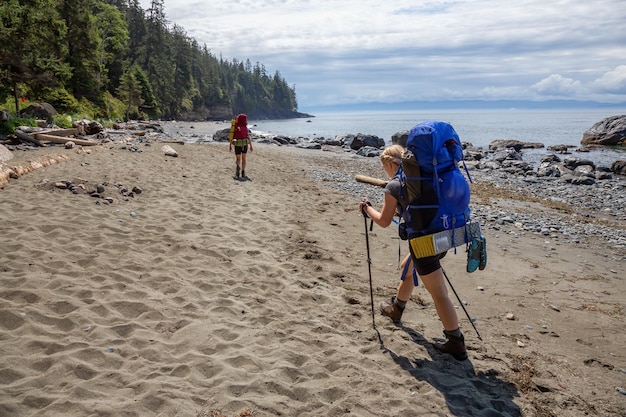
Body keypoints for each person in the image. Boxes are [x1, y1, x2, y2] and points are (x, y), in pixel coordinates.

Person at [358, 144, 467, 361]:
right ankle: (397, 309)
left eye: (384, 167)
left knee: (438, 293)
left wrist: (366, 208)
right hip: (446, 236)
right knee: (406, 268)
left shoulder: (395, 186)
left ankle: (456, 343)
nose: (385, 172)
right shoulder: (429, 177)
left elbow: (383, 221)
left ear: (390, 164)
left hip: (424, 244)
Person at [229, 113, 253, 179]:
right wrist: (251, 146)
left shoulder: (235, 127)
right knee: (244, 159)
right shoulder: (245, 128)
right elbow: (248, 137)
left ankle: (237, 171)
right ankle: (243, 172)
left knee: (238, 159)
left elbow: (231, 136)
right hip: (245, 144)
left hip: (237, 144)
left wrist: (230, 145)